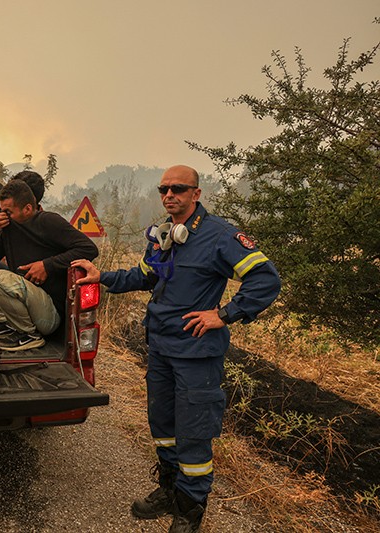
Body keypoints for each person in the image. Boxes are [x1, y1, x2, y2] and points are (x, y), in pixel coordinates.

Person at [71, 165, 281, 533]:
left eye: (178, 189)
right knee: (163, 425)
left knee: (194, 432)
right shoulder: (163, 235)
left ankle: (190, 508)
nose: (169, 195)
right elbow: (143, 276)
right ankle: (169, 490)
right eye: (164, 189)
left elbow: (265, 279)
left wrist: (224, 314)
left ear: (196, 194)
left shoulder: (220, 236)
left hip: (197, 353)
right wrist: (101, 275)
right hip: (162, 348)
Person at [0, 177, 98, 351]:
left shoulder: (48, 221)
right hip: (24, 300)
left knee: (0, 278)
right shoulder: (8, 227)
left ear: (27, 209)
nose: (3, 215)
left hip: (50, 312)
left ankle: (30, 334)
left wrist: (47, 265)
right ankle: (6, 324)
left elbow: (89, 249)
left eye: (8, 211)